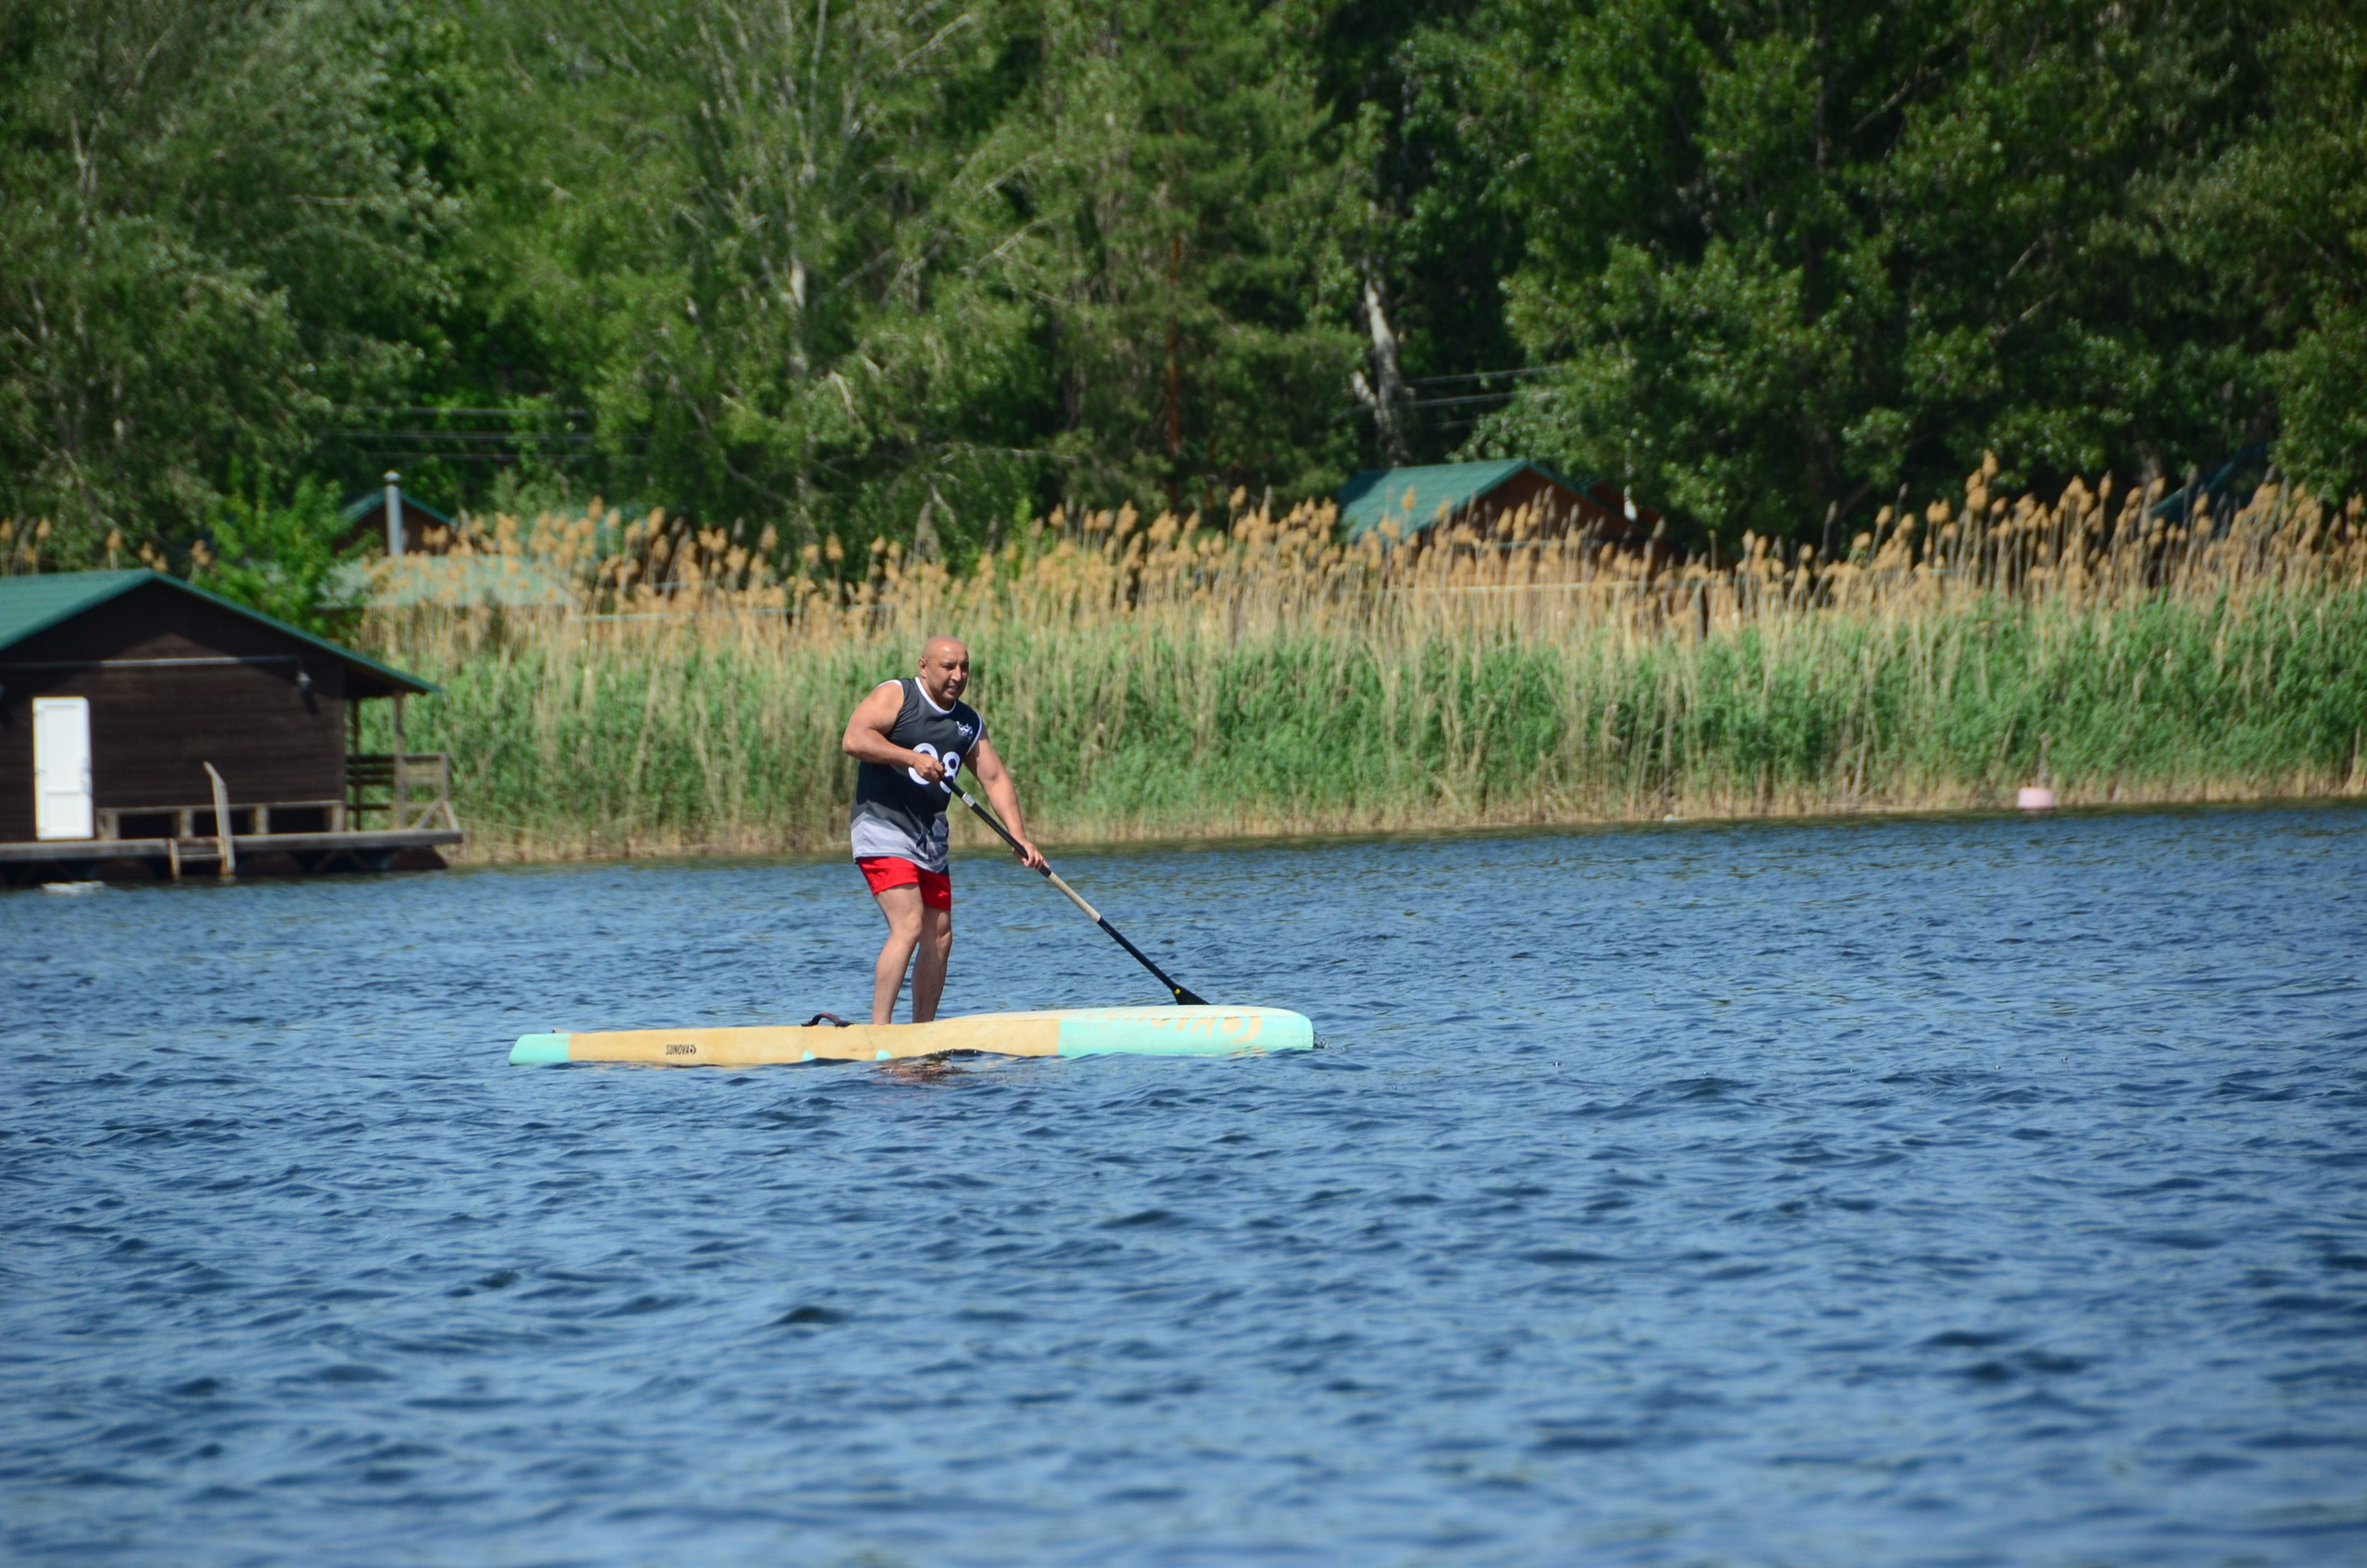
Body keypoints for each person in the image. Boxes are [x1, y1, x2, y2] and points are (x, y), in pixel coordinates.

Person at [841, 635, 1045, 1024]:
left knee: (939, 936)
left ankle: (922, 1033)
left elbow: (995, 777)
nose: (957, 675)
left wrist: (1018, 836)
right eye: (947, 666)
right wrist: (910, 759)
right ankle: (879, 1032)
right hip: (882, 824)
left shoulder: (967, 722)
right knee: (910, 922)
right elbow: (854, 739)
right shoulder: (898, 695)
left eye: (964, 667)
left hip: (928, 836)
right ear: (923, 666)